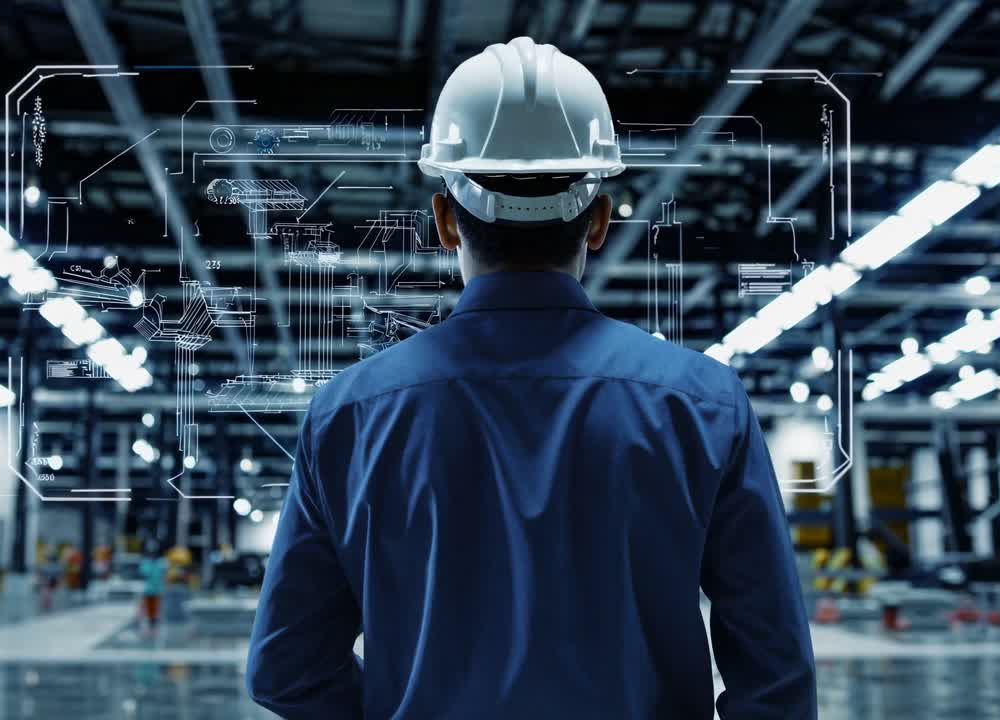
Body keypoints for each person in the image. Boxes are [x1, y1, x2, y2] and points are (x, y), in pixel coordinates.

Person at [247, 37, 816, 719]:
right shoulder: (701, 404)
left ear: (446, 222)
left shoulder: (350, 415)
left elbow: (286, 669)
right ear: (600, 222)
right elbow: (776, 680)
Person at [138, 541, 167, 631]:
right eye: (151, 552)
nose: (152, 554)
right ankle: (151, 625)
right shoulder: (145, 562)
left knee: (157, 609)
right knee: (150, 609)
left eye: (154, 552)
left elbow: (164, 572)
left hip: (158, 590)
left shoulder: (161, 562)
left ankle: (155, 624)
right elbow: (143, 573)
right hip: (149, 590)